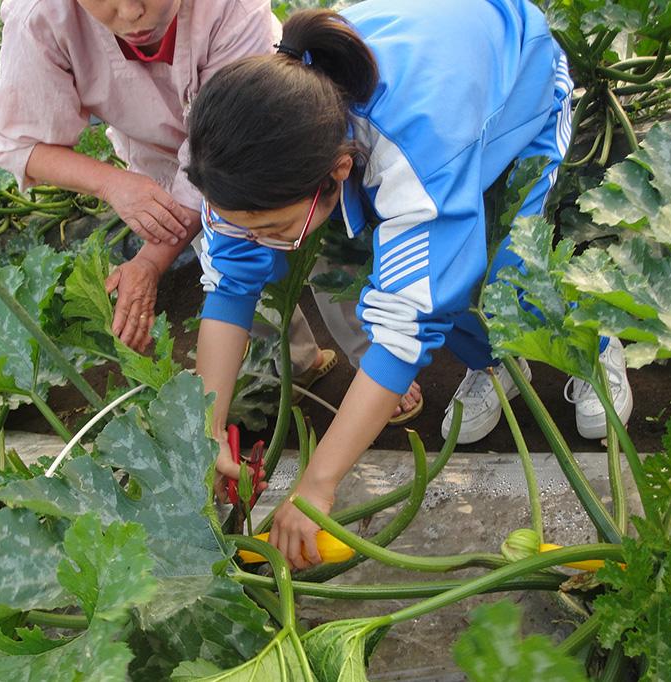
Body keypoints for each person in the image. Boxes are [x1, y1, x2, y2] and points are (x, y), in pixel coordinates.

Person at [187, 0, 633, 569]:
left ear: (338, 174)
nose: (260, 243)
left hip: (520, 94)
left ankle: (592, 353)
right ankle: (496, 364)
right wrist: (205, 433)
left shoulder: (417, 146)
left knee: (500, 277)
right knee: (440, 281)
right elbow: (228, 289)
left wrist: (318, 484)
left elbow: (405, 327)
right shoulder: (246, 150)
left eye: (275, 231)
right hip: (434, 76)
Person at [0, 0, 338, 384]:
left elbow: (221, 159)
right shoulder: (37, 16)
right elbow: (19, 144)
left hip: (265, 136)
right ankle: (297, 365)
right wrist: (111, 183)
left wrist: (150, 262)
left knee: (319, 241)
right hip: (160, 159)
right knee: (232, 265)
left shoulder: (234, 7)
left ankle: (371, 356)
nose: (131, 13)